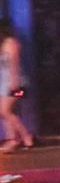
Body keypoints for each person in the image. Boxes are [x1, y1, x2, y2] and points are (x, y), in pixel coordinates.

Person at [0, 19, 34, 153]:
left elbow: (14, 65)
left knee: (5, 111)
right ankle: (12, 140)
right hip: (3, 84)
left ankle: (26, 136)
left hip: (16, 84)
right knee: (6, 112)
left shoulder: (11, 43)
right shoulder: (2, 43)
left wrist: (15, 85)